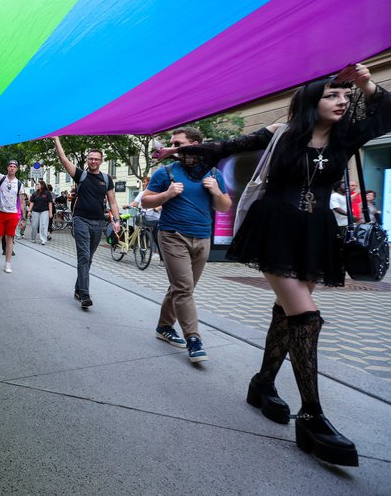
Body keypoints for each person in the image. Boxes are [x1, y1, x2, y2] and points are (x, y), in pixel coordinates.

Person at [167, 64, 389, 467]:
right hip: (274, 229)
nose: (341, 102)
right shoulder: (282, 133)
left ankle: (263, 384)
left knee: (288, 315)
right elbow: (226, 146)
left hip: (317, 234)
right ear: (311, 100)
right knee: (307, 318)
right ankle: (312, 415)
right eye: (331, 95)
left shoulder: (347, 137)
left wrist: (367, 84)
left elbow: (387, 113)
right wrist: (180, 151)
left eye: (345, 96)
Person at [141, 127, 230, 363]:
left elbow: (224, 206)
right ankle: (193, 339)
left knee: (182, 288)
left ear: (197, 145)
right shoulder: (167, 172)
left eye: (178, 144)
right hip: (173, 235)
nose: (172, 148)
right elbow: (146, 201)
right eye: (172, 144)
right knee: (183, 288)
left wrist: (216, 191)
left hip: (202, 237)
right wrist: (167, 194)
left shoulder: (213, 173)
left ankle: (164, 326)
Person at [52, 138, 120, 308]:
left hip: (98, 223)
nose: (93, 161)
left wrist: (117, 221)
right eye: (91, 158)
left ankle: (77, 288)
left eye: (96, 158)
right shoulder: (80, 174)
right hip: (80, 219)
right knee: (84, 256)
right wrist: (56, 139)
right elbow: (64, 160)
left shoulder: (106, 179)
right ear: (88, 160)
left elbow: (112, 202)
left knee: (88, 259)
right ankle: (85, 295)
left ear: (101, 161)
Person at [0, 154, 23, 273]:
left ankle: (8, 263)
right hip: (0, 213)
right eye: (10, 166)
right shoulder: (0, 178)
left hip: (12, 214)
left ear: (16, 169)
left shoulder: (20, 184)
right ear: (7, 168)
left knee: (9, 238)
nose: (12, 168)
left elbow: (21, 202)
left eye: (14, 166)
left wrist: (23, 218)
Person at [28, 180, 54, 245]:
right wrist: (29, 211)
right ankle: (33, 238)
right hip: (35, 210)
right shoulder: (35, 193)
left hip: (44, 210)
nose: (37, 185)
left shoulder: (47, 193)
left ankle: (43, 239)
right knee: (34, 225)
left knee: (43, 225)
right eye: (37, 184)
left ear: (42, 185)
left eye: (38, 184)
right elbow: (32, 202)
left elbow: (50, 203)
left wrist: (50, 212)